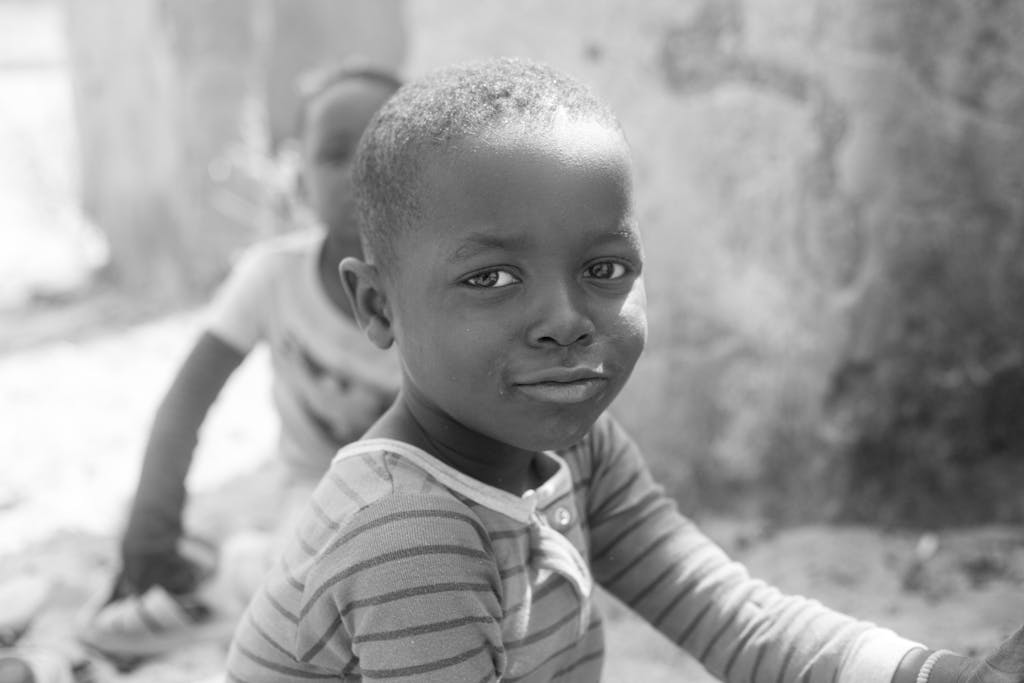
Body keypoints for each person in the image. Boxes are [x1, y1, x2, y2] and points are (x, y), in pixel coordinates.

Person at [225, 56, 1024, 682]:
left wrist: (940, 672)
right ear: (377, 307)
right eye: (491, 278)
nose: (568, 320)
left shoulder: (580, 450)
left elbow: (730, 615)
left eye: (605, 269)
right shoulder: (410, 532)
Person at [77, 60, 403, 662]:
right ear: (298, 179)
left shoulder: (448, 288)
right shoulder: (273, 276)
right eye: (335, 154)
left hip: (419, 497)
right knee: (312, 555)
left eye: (385, 150)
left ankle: (224, 593)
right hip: (314, 492)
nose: (361, 172)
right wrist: (151, 531)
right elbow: (187, 400)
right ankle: (224, 588)